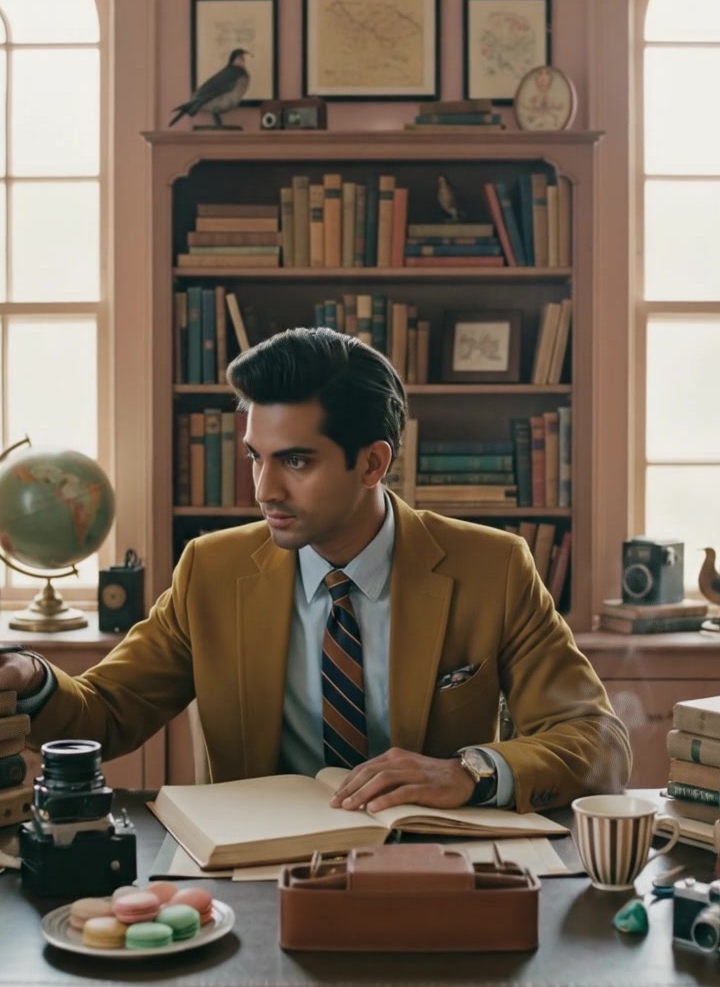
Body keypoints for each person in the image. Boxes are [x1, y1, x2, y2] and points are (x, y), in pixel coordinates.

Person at [0, 327, 631, 815]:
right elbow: (105, 713)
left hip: (433, 863)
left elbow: (598, 742)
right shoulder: (210, 571)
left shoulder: (492, 568)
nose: (264, 489)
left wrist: (468, 771)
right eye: (256, 458)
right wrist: (30, 678)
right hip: (253, 875)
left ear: (372, 463)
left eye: (296, 461)